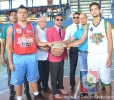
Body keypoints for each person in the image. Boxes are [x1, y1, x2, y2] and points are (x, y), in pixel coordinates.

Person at [66, 2, 113, 100]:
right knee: (93, 79)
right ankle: (96, 97)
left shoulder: (106, 23)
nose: (94, 10)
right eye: (92, 9)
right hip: (91, 56)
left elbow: (110, 42)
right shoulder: (88, 25)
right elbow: (81, 40)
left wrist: (109, 57)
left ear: (100, 10)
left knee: (106, 80)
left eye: (96, 8)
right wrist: (68, 44)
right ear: (90, 12)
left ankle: (109, 97)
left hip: (103, 55)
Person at [7, 5, 52, 100]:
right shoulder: (11, 28)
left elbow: (38, 42)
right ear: (17, 15)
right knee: (18, 81)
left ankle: (37, 95)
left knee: (33, 79)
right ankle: (19, 98)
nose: (22, 14)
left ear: (27, 14)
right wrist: (10, 62)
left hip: (31, 57)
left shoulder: (32, 26)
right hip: (18, 57)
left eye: (24, 12)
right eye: (20, 12)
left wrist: (49, 43)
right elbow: (9, 46)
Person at [1, 9, 31, 100]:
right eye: (12, 15)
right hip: (10, 56)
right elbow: (3, 43)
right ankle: (12, 93)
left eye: (15, 14)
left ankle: (27, 92)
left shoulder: (23, 27)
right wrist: (2, 56)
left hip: (22, 56)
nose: (14, 16)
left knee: (25, 75)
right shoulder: (6, 28)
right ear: (9, 17)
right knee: (11, 75)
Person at [46, 14, 68, 99]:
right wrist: (57, 49)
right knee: (54, 75)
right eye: (57, 19)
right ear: (54, 21)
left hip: (61, 56)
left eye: (61, 20)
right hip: (53, 56)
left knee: (60, 74)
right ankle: (55, 91)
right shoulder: (50, 30)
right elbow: (50, 43)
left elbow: (64, 43)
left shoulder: (63, 31)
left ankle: (60, 87)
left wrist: (65, 54)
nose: (59, 21)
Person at [64, 12, 80, 92]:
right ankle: (72, 85)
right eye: (74, 17)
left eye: (77, 17)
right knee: (72, 68)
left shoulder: (84, 26)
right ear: (72, 18)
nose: (76, 19)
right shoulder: (69, 28)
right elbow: (67, 39)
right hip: (73, 49)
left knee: (85, 68)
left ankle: (86, 85)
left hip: (83, 50)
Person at [36, 16, 51, 100]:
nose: (43, 23)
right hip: (38, 57)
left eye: (44, 21)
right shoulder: (36, 30)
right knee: (39, 75)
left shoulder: (46, 30)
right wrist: (42, 47)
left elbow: (48, 42)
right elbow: (36, 42)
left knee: (46, 73)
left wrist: (47, 47)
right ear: (38, 22)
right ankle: (38, 90)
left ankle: (45, 87)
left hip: (46, 56)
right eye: (41, 21)